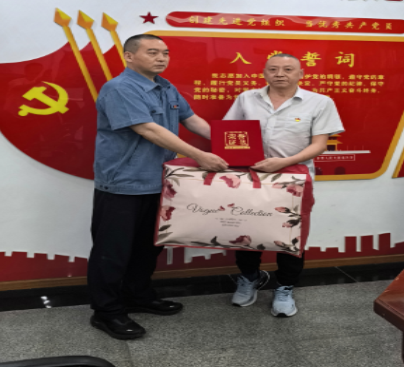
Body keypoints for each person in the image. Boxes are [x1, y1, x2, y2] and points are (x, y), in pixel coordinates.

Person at [88, 34, 228, 340]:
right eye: (152, 52)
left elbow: (192, 120)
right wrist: (200, 155)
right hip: (123, 184)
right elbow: (147, 129)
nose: (161, 58)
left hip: (160, 181)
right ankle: (106, 311)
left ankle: (138, 296)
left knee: (149, 247)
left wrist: (233, 145)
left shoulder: (166, 87)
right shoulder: (119, 88)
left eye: (165, 52)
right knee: (112, 251)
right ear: (128, 56)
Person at [223, 53, 344, 317]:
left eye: (288, 69)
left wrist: (283, 162)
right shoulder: (246, 98)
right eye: (273, 69)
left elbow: (319, 145)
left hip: (293, 179)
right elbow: (229, 133)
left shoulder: (320, 102)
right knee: (246, 230)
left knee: (291, 236)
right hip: (251, 177)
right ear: (264, 73)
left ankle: (285, 287)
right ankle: (249, 278)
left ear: (301, 74)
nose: (280, 74)